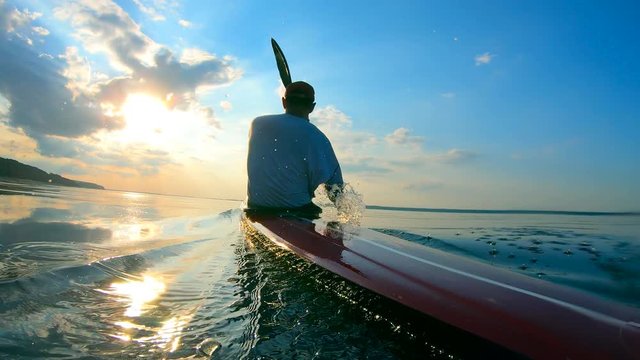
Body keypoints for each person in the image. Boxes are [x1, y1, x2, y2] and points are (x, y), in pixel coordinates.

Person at [246, 81, 343, 215]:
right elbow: (336, 191)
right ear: (312, 107)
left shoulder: (257, 123)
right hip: (296, 211)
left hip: (255, 208)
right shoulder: (319, 138)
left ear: (284, 102)